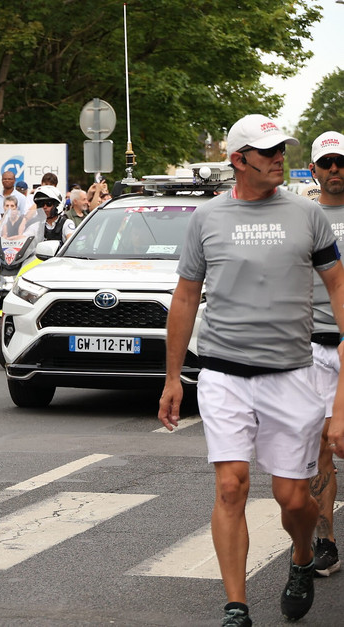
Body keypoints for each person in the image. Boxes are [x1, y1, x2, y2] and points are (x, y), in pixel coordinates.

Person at [158, 114, 344, 626]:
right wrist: (174, 379)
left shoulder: (308, 216)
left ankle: (302, 555)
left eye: (282, 149)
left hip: (290, 373)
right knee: (231, 486)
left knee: (293, 498)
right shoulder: (207, 218)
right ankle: (236, 607)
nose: (279, 157)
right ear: (238, 160)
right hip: (223, 372)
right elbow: (186, 296)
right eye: (268, 152)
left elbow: (337, 287)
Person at [307, 131, 344, 578]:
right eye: (327, 162)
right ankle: (326, 541)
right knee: (321, 447)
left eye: (342, 161)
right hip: (314, 344)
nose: (336, 169)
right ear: (314, 168)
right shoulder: (302, 218)